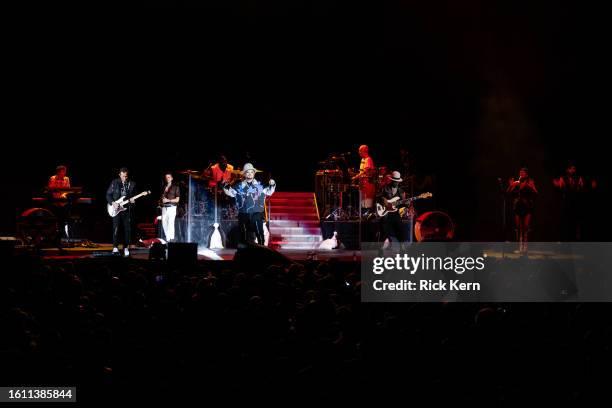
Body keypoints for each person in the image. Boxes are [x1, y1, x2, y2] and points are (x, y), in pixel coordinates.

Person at [222, 163, 275, 245]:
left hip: (257, 213)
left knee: (260, 234)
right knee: (243, 235)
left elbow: (269, 191)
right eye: (247, 172)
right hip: (243, 214)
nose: (250, 174)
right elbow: (231, 193)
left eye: (251, 172)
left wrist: (272, 185)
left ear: (254, 173)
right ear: (244, 174)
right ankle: (244, 251)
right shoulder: (239, 186)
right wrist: (225, 186)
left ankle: (261, 251)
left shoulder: (260, 185)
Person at [106, 167, 137, 256]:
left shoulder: (132, 184)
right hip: (116, 209)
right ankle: (115, 247)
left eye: (126, 176)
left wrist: (133, 201)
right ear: (120, 175)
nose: (124, 178)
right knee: (116, 228)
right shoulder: (114, 182)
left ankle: (126, 247)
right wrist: (113, 203)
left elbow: (133, 197)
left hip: (126, 209)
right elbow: (108, 194)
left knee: (127, 229)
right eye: (123, 176)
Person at [507, 167, 537, 254]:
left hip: (527, 206)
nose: (521, 174)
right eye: (520, 172)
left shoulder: (529, 182)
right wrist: (510, 185)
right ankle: (519, 247)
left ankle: (525, 247)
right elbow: (508, 192)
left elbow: (536, 193)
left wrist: (533, 187)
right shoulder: (517, 182)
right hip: (518, 206)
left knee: (526, 227)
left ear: (526, 174)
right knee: (518, 227)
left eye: (523, 172)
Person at [553, 162, 585, 241]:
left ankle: (575, 237)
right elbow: (561, 188)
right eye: (571, 168)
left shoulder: (578, 178)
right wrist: (558, 185)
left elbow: (581, 187)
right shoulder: (563, 178)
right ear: (568, 170)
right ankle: (563, 238)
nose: (573, 170)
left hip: (575, 202)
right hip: (566, 202)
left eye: (574, 169)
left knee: (574, 221)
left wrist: (580, 186)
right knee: (565, 221)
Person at [377, 171, 409, 250]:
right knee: (384, 224)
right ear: (392, 180)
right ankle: (383, 245)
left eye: (397, 181)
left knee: (400, 227)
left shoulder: (400, 191)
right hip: (385, 211)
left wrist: (406, 204)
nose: (396, 183)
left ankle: (402, 247)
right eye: (395, 181)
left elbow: (401, 204)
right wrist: (383, 199)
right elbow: (378, 196)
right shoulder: (385, 188)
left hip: (395, 212)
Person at [352, 144, 376, 212]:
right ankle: (363, 215)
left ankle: (368, 215)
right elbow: (361, 172)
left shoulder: (368, 159)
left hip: (367, 183)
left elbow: (365, 171)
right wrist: (356, 176)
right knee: (363, 201)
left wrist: (355, 177)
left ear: (365, 151)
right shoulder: (363, 159)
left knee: (367, 201)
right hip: (363, 183)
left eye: (360, 150)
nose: (359, 152)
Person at [160, 172, 180, 242]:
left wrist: (168, 200)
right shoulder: (164, 187)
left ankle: (170, 239)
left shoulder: (176, 187)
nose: (167, 179)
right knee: (164, 223)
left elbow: (177, 199)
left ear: (172, 178)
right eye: (166, 177)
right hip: (164, 207)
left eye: (168, 177)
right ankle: (168, 238)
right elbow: (162, 197)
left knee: (171, 223)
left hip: (172, 207)